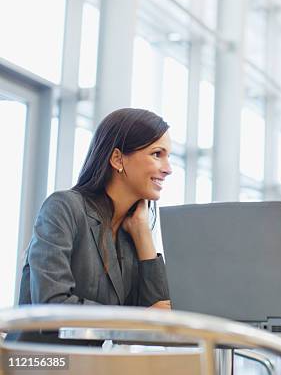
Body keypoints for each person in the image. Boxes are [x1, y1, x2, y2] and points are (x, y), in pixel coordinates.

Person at [9, 108, 173, 343]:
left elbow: (158, 315)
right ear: (117, 159)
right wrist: (136, 319)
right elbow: (53, 304)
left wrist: (143, 235)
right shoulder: (64, 207)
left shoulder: (130, 231)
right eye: (157, 154)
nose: (168, 168)